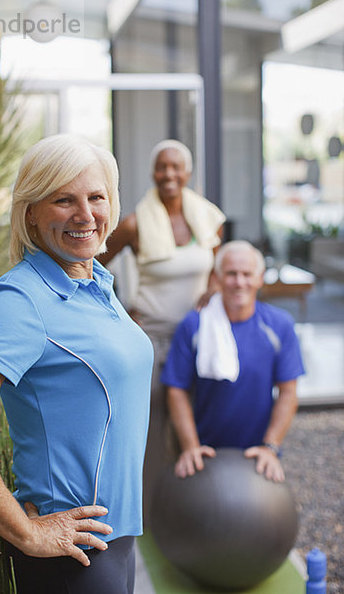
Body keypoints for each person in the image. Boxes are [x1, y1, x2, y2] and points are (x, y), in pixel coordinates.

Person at [0, 134, 154, 594]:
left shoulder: (96, 282)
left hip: (118, 542)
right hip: (74, 558)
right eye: (63, 199)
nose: (85, 214)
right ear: (30, 212)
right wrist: (27, 531)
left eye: (96, 197)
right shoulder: (22, 299)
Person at [98, 139, 226, 523]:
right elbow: (91, 265)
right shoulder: (135, 224)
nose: (169, 174)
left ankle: (196, 501)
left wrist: (213, 288)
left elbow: (215, 267)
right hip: (150, 339)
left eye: (176, 167)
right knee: (151, 423)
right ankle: (150, 510)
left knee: (196, 418)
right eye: (161, 167)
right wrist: (119, 311)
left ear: (188, 173)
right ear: (153, 173)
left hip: (197, 339)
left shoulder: (206, 218)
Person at [161, 240, 304, 483]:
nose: (239, 282)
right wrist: (190, 447)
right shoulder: (194, 325)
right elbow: (176, 390)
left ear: (260, 278)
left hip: (257, 453)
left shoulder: (280, 325)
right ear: (217, 277)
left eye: (247, 274)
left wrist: (271, 446)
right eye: (231, 274)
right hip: (205, 452)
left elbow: (288, 392)